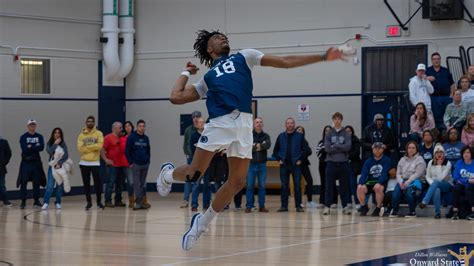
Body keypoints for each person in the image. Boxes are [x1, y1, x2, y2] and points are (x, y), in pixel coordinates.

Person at [156, 29, 347, 250]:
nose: (223, 38)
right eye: (217, 38)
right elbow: (175, 97)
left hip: (245, 124)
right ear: (209, 49)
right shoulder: (207, 79)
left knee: (237, 182)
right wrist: (186, 72)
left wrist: (322, 56)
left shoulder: (244, 56)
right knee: (193, 173)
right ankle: (167, 174)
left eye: (224, 36)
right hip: (219, 123)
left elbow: (285, 62)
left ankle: (201, 222)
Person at [273, 118, 309, 213]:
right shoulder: (281, 136)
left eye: (291, 123)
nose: (290, 125)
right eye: (288, 123)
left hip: (296, 165)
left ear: (294, 124)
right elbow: (275, 151)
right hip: (284, 165)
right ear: (285, 125)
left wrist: (300, 160)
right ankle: (284, 206)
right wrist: (278, 159)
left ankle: (298, 206)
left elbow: (306, 150)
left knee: (297, 186)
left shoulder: (300, 136)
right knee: (284, 186)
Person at [323, 112, 352, 215]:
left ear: (341, 120)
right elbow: (327, 148)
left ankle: (345, 206)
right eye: (335, 119)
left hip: (343, 163)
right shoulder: (329, 133)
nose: (337, 121)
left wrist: (336, 145)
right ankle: (327, 206)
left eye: (339, 119)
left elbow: (348, 147)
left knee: (344, 186)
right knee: (329, 186)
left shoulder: (346, 133)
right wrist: (341, 147)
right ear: (333, 120)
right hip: (331, 163)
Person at [390, 141, 426, 218]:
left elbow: (418, 174)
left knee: (409, 192)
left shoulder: (420, 160)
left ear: (416, 149)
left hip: (416, 181)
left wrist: (407, 182)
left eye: (413, 148)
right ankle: (395, 211)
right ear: (406, 149)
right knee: (396, 192)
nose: (411, 149)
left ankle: (412, 212)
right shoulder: (402, 159)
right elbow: (398, 173)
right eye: (409, 148)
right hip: (403, 181)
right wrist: (401, 182)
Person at [77, 115, 104, 210]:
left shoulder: (99, 133)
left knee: (98, 183)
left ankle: (99, 202)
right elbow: (80, 149)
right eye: (88, 121)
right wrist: (93, 146)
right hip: (84, 163)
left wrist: (87, 147)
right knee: (86, 184)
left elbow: (100, 146)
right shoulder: (81, 135)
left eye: (92, 121)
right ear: (86, 123)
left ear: (94, 123)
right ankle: (89, 202)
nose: (90, 123)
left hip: (95, 162)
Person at [418, 144, 452, 219]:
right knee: (436, 190)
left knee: (436, 182)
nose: (439, 154)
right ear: (434, 154)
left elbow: (441, 178)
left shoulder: (448, 163)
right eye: (437, 152)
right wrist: (433, 184)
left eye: (441, 152)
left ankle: (424, 202)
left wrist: (439, 165)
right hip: (434, 185)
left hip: (447, 184)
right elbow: (427, 176)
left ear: (444, 154)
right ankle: (437, 213)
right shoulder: (430, 162)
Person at [357, 142, 391, 216]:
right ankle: (364, 206)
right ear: (372, 150)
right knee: (360, 188)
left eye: (379, 148)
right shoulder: (368, 161)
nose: (377, 150)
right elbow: (364, 174)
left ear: (383, 149)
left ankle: (378, 207)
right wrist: (360, 183)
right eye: (375, 148)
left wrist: (379, 182)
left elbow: (384, 174)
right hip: (370, 181)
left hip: (381, 181)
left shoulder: (387, 160)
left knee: (378, 188)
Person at [18, 119, 46, 209]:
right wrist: (35, 147)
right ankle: (23, 202)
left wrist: (30, 146)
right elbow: (24, 149)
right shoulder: (23, 137)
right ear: (28, 126)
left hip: (36, 163)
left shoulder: (40, 136)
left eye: (34, 125)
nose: (32, 126)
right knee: (23, 182)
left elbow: (41, 147)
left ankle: (36, 201)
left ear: (35, 126)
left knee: (36, 183)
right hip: (26, 163)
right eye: (30, 125)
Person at [246, 117, 271, 213]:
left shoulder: (266, 136)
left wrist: (255, 145)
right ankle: (249, 206)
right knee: (249, 186)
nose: (259, 124)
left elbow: (267, 145)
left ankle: (262, 206)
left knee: (262, 186)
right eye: (257, 122)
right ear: (254, 124)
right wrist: (260, 145)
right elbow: (247, 147)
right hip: (251, 165)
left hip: (262, 164)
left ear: (262, 124)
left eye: (260, 122)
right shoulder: (249, 135)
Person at [426, 52, 455, 130]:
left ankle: (447, 132)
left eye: (438, 59)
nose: (436, 61)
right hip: (434, 98)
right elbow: (420, 78)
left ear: (440, 60)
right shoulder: (427, 71)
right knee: (436, 117)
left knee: (447, 116)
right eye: (434, 59)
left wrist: (452, 95)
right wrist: (426, 78)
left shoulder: (445, 70)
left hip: (446, 97)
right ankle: (438, 135)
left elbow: (452, 84)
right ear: (432, 60)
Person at [126, 119, 151, 210]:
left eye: (143, 126)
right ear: (137, 127)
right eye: (140, 126)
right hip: (136, 164)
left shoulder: (146, 138)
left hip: (145, 164)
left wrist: (148, 161)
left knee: (142, 183)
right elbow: (127, 151)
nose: (142, 128)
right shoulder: (132, 137)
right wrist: (130, 162)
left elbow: (148, 150)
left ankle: (142, 202)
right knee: (136, 184)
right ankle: (137, 202)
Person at [42, 128, 68, 210]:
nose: (57, 134)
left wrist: (59, 163)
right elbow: (49, 152)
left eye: (58, 133)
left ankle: (58, 202)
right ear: (53, 134)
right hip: (52, 168)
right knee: (50, 186)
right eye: (55, 133)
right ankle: (46, 202)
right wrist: (55, 144)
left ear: (61, 134)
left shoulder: (63, 144)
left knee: (59, 186)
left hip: (60, 168)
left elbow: (66, 156)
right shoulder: (49, 143)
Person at [102, 122, 127, 208]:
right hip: (112, 165)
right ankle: (107, 200)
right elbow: (102, 149)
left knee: (120, 184)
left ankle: (118, 200)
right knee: (111, 183)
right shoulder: (108, 138)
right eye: (120, 128)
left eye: (121, 128)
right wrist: (106, 159)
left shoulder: (122, 138)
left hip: (121, 164)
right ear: (114, 128)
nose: (121, 129)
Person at [189, 117, 211, 212]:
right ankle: (194, 204)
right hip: (198, 165)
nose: (202, 124)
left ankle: (206, 204)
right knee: (196, 185)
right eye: (200, 122)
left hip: (207, 164)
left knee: (207, 184)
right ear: (196, 125)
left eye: (203, 122)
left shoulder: (208, 135)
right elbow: (193, 150)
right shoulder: (193, 136)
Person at [181, 110, 202, 208]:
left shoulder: (203, 130)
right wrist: (189, 154)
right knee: (188, 180)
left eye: (197, 117)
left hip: (199, 160)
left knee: (196, 182)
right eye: (194, 117)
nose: (196, 119)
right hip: (190, 158)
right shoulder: (188, 130)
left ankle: (194, 203)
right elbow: (185, 145)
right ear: (192, 118)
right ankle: (185, 200)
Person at [295, 126, 316, 209]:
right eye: (298, 130)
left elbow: (309, 151)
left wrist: (301, 156)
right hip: (296, 165)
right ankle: (299, 202)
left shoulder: (304, 141)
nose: (300, 131)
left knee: (309, 180)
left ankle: (310, 200)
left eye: (301, 130)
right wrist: (302, 154)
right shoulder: (293, 141)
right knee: (298, 183)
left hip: (304, 164)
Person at [316, 126, 337, 208]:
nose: (327, 132)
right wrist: (326, 150)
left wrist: (325, 150)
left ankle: (334, 201)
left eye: (329, 130)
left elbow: (335, 152)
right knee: (323, 183)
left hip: (332, 164)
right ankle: (322, 201)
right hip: (322, 164)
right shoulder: (321, 142)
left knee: (332, 183)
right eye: (326, 131)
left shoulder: (334, 142)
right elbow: (318, 153)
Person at [451, 146, 474, 220]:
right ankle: (455, 212)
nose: (466, 154)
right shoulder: (459, 162)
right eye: (464, 153)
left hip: (472, 185)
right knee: (456, 188)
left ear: (471, 154)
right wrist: (467, 180)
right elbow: (456, 177)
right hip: (463, 184)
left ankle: (473, 212)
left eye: (468, 152)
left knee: (468, 188)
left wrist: (468, 181)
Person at [345, 125, 362, 209]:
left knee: (353, 184)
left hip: (353, 165)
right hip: (345, 165)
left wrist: (347, 156)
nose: (348, 132)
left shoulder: (355, 140)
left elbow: (356, 152)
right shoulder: (343, 141)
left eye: (349, 131)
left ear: (352, 132)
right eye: (346, 131)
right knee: (346, 184)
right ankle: (348, 202)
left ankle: (357, 202)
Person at [122, 121, 135, 208]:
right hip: (127, 163)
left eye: (129, 125)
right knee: (130, 182)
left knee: (139, 182)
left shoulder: (135, 137)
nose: (127, 127)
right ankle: (131, 200)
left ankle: (141, 200)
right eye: (126, 126)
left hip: (137, 163)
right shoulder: (122, 138)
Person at [0, 135, 12, 207]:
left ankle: (5, 201)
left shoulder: (3, 142)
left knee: (1, 185)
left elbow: (9, 153)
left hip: (1, 168)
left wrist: (3, 162)